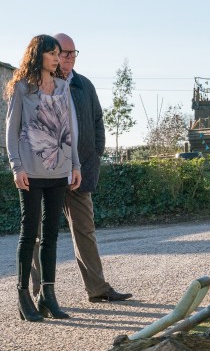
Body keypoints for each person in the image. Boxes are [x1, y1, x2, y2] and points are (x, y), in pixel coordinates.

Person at [30, 33, 133, 303]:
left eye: (73, 53)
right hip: (47, 171)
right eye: (63, 53)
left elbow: (98, 121)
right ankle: (41, 293)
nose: (68, 58)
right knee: (40, 235)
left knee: (85, 230)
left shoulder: (84, 85)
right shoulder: (40, 84)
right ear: (50, 54)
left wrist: (95, 154)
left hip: (79, 170)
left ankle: (98, 288)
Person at [6, 34, 81, 322]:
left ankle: (48, 296)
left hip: (59, 169)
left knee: (51, 235)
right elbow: (11, 131)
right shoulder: (22, 88)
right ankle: (23, 295)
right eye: (51, 53)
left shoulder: (63, 87)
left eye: (58, 53)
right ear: (38, 56)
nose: (56, 57)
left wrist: (74, 165)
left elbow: (69, 128)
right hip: (30, 171)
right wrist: (16, 167)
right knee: (30, 234)